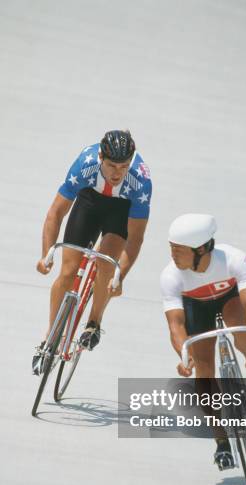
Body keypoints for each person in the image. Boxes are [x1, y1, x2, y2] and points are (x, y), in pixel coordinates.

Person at [32, 130, 152, 375]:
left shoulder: (140, 180)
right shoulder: (85, 164)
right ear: (100, 157)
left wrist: (120, 276)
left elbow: (136, 238)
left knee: (106, 265)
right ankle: (50, 337)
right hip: (89, 202)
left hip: (121, 209)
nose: (117, 173)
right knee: (67, 271)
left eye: (123, 166)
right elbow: (55, 213)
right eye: (111, 166)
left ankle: (94, 323)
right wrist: (46, 254)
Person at [160, 213, 246, 470]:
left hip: (229, 298)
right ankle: (221, 440)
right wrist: (184, 358)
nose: (173, 256)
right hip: (196, 308)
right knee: (204, 369)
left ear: (201, 249)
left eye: (179, 250)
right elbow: (175, 325)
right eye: (171, 249)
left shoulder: (233, 258)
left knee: (238, 321)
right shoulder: (170, 276)